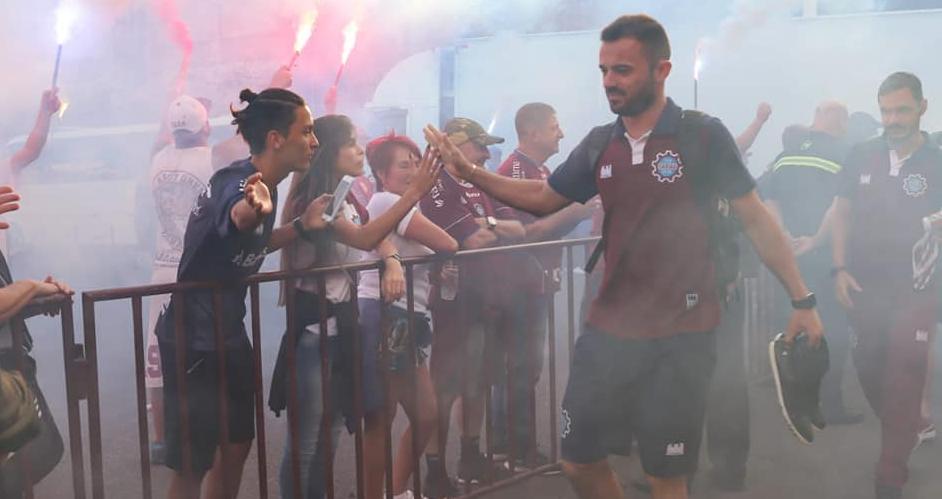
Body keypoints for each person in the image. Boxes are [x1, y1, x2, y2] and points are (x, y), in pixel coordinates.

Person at [423, 14, 823, 499]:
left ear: (661, 70)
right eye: (604, 70)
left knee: (666, 476)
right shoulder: (600, 144)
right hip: (608, 329)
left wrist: (803, 300)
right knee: (578, 461)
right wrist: (468, 170)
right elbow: (545, 196)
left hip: (683, 334)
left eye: (623, 70)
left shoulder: (702, 136)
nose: (610, 82)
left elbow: (757, 219)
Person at [154, 87, 333, 499]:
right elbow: (238, 218)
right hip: (192, 341)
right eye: (305, 131)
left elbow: (250, 243)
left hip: (229, 337)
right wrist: (255, 209)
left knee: (236, 446)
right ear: (276, 139)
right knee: (193, 464)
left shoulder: (265, 185)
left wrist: (301, 226)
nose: (314, 140)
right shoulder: (237, 183)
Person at [274, 116, 442, 499]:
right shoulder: (316, 202)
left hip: (338, 333)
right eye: (351, 143)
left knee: (329, 436)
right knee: (305, 446)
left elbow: (373, 238)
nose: (359, 149)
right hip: (314, 336)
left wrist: (393, 259)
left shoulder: (345, 197)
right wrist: (414, 193)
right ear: (330, 152)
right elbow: (367, 235)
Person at [830, 72, 941, 499]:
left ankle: (889, 477)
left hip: (917, 291)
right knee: (869, 370)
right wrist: (839, 267)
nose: (892, 119)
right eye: (886, 111)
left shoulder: (938, 160)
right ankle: (904, 424)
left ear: (922, 108)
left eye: (902, 110)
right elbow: (841, 212)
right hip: (863, 288)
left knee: (905, 376)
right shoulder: (861, 154)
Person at [419, 117, 525, 497]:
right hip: (455, 302)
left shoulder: (481, 180)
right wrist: (489, 228)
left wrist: (488, 222)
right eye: (478, 145)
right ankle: (435, 470)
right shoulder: (435, 185)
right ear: (456, 146)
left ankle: (470, 455)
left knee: (479, 382)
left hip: (490, 299)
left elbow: (518, 230)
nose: (485, 152)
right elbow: (471, 241)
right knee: (445, 389)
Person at [491, 103, 595, 470]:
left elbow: (550, 228)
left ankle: (509, 446)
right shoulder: (516, 172)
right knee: (520, 367)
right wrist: (577, 210)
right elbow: (527, 235)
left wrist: (574, 213)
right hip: (518, 287)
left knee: (526, 367)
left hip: (536, 284)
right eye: (554, 127)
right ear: (532, 133)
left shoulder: (541, 170)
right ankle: (516, 450)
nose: (561, 133)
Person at [357, 132, 458, 499]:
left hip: (407, 317)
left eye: (417, 162)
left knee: (425, 414)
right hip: (388, 314)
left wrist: (433, 268)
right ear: (382, 175)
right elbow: (448, 242)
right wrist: (438, 257)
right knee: (383, 418)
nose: (415, 169)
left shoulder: (402, 204)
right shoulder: (386, 200)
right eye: (405, 164)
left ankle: (395, 491)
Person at [764, 101, 862, 425]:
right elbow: (839, 205)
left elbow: (770, 198)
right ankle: (830, 404)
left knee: (790, 327)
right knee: (833, 330)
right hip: (823, 256)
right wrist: (814, 240)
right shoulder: (847, 151)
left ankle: (793, 403)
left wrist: (783, 236)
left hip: (787, 258)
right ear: (840, 120)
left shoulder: (785, 155)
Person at [144, 94, 220, 465]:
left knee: (157, 358)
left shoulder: (159, 160)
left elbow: (162, 138)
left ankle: (162, 438)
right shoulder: (212, 159)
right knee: (204, 351)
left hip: (162, 268)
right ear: (206, 126)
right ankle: (206, 429)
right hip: (195, 271)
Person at [0, 186, 71, 497]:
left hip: (10, 359)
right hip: (4, 368)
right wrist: (32, 288)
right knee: (41, 449)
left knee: (37, 451)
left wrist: (38, 297)